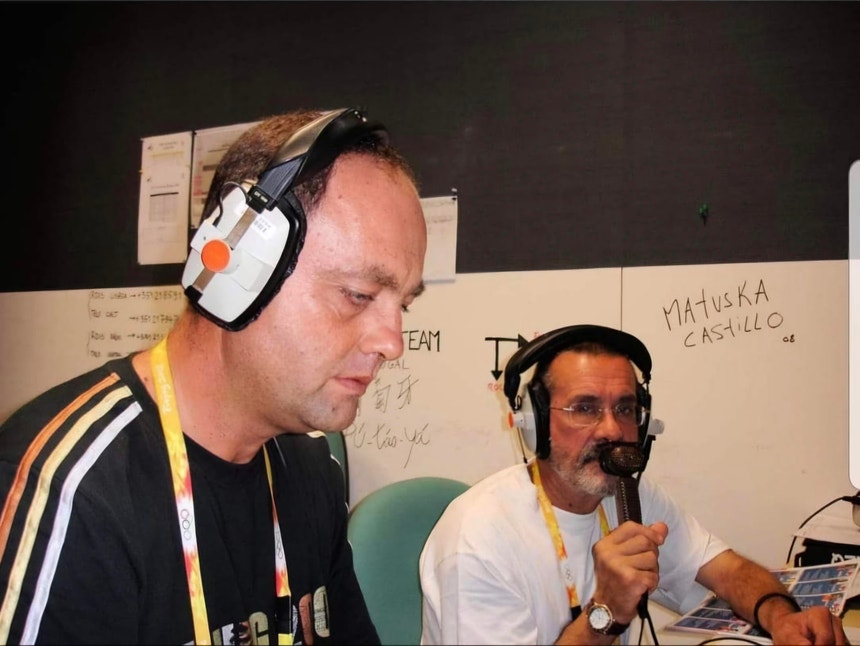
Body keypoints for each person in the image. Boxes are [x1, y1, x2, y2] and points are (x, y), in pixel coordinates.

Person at [0, 107, 427, 644]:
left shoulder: (309, 468)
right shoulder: (74, 491)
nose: (392, 343)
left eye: (402, 305)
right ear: (234, 272)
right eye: (358, 295)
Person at [419, 324, 848, 645]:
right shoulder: (477, 539)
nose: (612, 430)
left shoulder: (628, 496)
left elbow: (727, 570)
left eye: (624, 409)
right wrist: (606, 611)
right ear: (535, 423)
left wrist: (782, 618)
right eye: (585, 408)